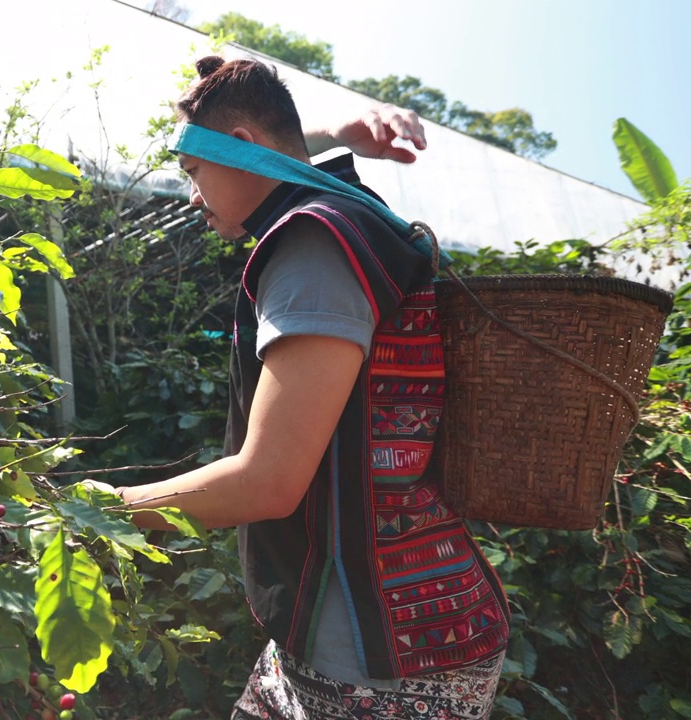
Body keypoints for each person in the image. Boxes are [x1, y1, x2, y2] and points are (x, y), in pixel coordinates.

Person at [87, 56, 510, 719]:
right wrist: (338, 127)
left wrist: (102, 509)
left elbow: (268, 481)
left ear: (242, 149)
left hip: (380, 664)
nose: (192, 196)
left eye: (194, 172)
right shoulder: (350, 214)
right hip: (336, 634)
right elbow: (275, 151)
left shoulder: (313, 244)